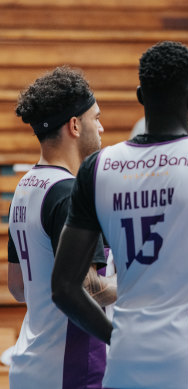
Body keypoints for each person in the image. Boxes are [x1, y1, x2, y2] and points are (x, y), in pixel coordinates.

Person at [51, 41, 188, 389]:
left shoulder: (98, 168)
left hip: (124, 364)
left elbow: (63, 289)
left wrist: (117, 337)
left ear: (140, 95)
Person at [8, 66, 115, 389]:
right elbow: (90, 289)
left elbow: (17, 287)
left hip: (31, 362)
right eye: (95, 118)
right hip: (73, 367)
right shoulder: (70, 193)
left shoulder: (26, 186)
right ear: (74, 125)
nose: (102, 127)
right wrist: (140, 279)